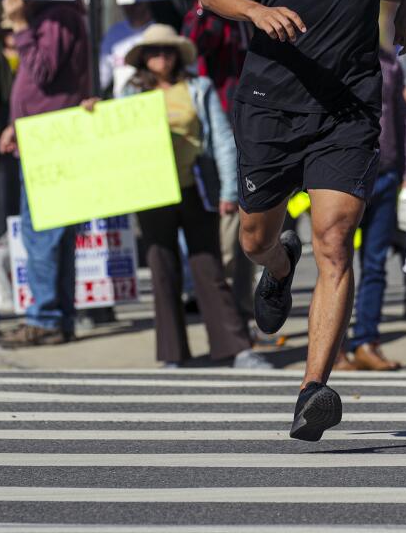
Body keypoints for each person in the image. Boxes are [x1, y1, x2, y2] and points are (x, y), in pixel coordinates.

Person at [199, 0, 406, 440]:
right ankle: (276, 266)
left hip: (348, 103)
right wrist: (256, 10)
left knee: (337, 237)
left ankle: (312, 390)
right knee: (254, 238)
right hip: (273, 101)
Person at [90, 25, 271, 369]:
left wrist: (230, 191)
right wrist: (94, 110)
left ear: (177, 56)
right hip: (151, 191)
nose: (162, 57)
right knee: (162, 269)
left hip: (195, 188)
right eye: (155, 52)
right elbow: (110, 135)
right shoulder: (129, 94)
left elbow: (220, 137)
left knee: (209, 268)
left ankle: (236, 348)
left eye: (168, 51)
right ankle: (173, 354)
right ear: (143, 58)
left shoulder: (197, 88)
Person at [0, 0, 90, 347]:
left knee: (44, 235)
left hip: (51, 140)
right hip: (42, 135)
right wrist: (15, 123)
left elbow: (42, 71)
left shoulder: (58, 18)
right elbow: (36, 87)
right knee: (53, 235)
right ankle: (57, 317)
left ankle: (46, 318)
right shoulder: (56, 16)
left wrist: (19, 24)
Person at [335, 38, 406, 371]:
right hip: (340, 178)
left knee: (375, 265)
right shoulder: (332, 55)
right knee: (335, 262)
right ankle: (336, 347)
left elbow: (405, 119)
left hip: (384, 175)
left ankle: (366, 342)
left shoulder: (390, 64)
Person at [183, 0, 255, 321]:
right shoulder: (211, 16)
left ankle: (240, 312)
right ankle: (224, 316)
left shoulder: (257, 10)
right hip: (218, 142)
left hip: (256, 132)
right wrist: (208, 1)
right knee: (225, 239)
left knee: (252, 235)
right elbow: (194, 44)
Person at [99, 3, 154, 97]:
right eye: (126, 3)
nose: (131, 7)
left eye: (136, 3)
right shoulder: (114, 32)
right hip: (123, 102)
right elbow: (102, 76)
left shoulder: (156, 30)